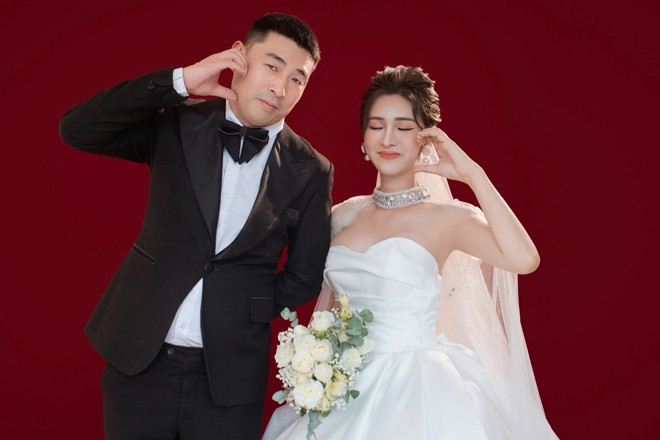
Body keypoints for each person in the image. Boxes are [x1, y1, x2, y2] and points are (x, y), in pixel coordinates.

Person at [59, 13, 333, 440]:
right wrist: (181, 81)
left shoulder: (311, 169)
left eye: (298, 79)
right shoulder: (178, 121)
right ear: (238, 56)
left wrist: (245, 304)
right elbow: (78, 129)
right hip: (139, 361)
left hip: (228, 379)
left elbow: (305, 274)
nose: (280, 88)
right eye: (272, 66)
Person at [262, 66, 558, 439]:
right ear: (363, 138)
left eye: (403, 128)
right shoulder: (342, 216)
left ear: (425, 138)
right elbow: (330, 305)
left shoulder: (447, 219)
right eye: (376, 126)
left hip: (420, 386)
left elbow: (524, 259)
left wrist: (472, 174)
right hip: (345, 388)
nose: (388, 138)